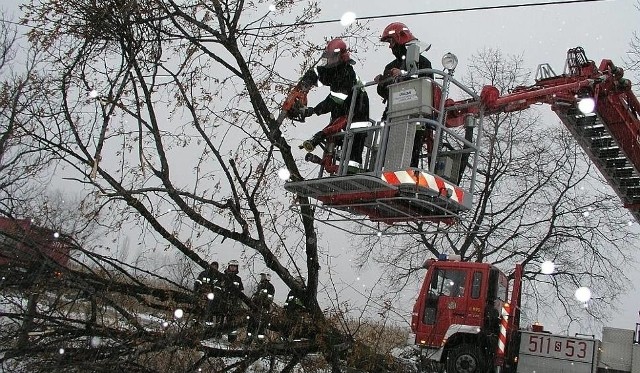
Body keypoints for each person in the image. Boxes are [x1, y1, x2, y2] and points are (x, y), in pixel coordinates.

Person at [297, 38, 370, 171]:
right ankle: (334, 167)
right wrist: (308, 81)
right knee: (336, 138)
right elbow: (322, 75)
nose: (329, 60)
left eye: (332, 57)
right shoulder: (335, 71)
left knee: (353, 148)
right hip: (344, 113)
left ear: (339, 57)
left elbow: (334, 100)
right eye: (328, 57)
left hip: (357, 114)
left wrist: (313, 111)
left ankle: (350, 173)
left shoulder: (346, 73)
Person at [375, 22, 434, 168]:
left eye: (391, 41)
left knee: (410, 158)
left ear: (400, 39)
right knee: (387, 157)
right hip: (392, 117)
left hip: (415, 117)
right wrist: (382, 82)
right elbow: (385, 93)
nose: (390, 46)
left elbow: (426, 86)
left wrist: (402, 75)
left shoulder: (423, 63)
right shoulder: (390, 66)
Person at [245, 271, 276, 344]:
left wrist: (263, 301)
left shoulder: (270, 287)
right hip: (255, 309)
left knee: (261, 328)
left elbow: (269, 299)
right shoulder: (260, 285)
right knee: (251, 325)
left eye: (263, 276)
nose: (261, 278)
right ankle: (248, 341)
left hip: (263, 310)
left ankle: (259, 343)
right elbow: (256, 296)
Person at [220, 259, 244, 342]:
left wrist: (238, 303)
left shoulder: (238, 279)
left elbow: (241, 293)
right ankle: (217, 335)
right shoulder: (222, 277)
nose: (233, 268)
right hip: (222, 301)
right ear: (228, 267)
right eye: (231, 266)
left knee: (232, 321)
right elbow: (217, 288)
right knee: (220, 318)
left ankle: (232, 339)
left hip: (233, 303)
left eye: (234, 267)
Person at [193, 261, 221, 326]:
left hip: (211, 298)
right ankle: (195, 324)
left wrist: (214, 294)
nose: (214, 268)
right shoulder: (203, 274)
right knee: (198, 310)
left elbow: (218, 288)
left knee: (210, 312)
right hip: (201, 296)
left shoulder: (218, 276)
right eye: (213, 266)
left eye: (215, 267)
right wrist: (196, 292)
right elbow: (197, 283)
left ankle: (209, 327)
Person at [283, 276, 309, 340]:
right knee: (287, 326)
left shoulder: (304, 292)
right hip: (289, 313)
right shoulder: (292, 292)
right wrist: (285, 308)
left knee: (297, 327)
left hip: (299, 314)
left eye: (298, 282)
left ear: (302, 283)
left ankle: (296, 339)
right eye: (296, 282)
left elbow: (304, 304)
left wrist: (301, 310)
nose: (296, 284)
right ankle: (286, 339)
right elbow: (287, 301)